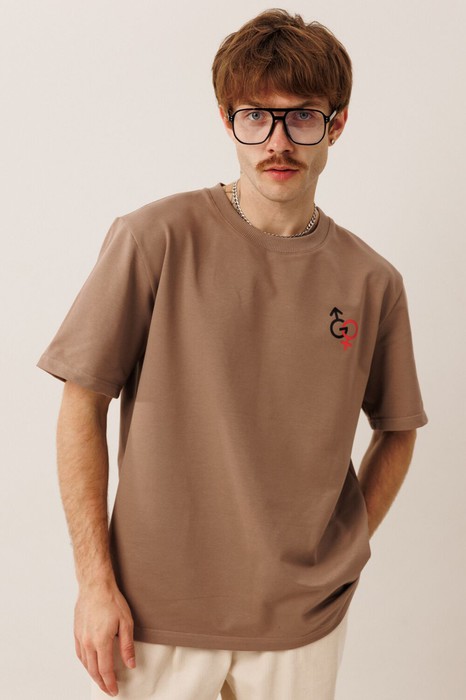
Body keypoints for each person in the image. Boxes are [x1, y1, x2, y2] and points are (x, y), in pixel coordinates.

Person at [36, 8, 428, 700]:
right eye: (256, 117)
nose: (278, 141)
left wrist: (344, 547)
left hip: (303, 619)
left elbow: (397, 429)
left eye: (301, 117)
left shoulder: (371, 281)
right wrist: (94, 584)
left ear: (336, 124)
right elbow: (82, 402)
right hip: (152, 611)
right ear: (227, 120)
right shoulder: (154, 239)